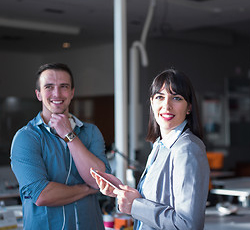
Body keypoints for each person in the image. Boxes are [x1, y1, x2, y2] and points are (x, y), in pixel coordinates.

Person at [91, 69, 210, 229]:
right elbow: (155, 203)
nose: (166, 105)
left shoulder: (187, 149)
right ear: (152, 103)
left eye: (176, 98)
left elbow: (187, 225)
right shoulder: (159, 145)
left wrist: (135, 205)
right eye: (160, 97)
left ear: (188, 107)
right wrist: (120, 192)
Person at [10, 63, 111, 230]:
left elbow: (102, 182)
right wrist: (87, 189)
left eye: (64, 87)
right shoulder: (26, 137)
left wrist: (70, 136)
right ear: (39, 94)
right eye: (49, 87)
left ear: (72, 92)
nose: (57, 94)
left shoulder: (91, 132)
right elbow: (42, 195)